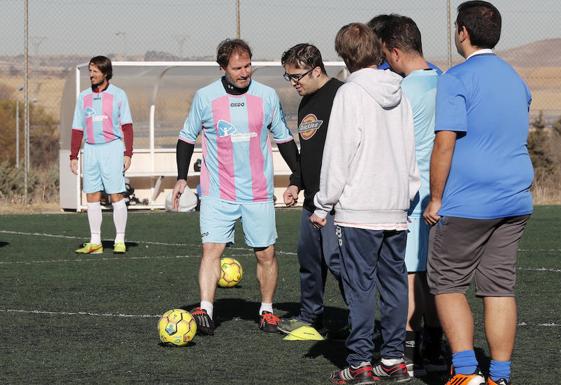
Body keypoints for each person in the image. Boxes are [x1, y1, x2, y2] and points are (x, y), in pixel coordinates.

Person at [423, 2, 534, 385]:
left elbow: (444, 144)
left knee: (448, 284)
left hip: (469, 201)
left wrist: (436, 199)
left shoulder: (456, 78)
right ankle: (499, 376)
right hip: (515, 198)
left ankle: (466, 371)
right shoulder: (516, 78)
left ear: (462, 32)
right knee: (499, 288)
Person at [311, 23, 419, 384]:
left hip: (360, 209)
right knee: (394, 284)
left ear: (344, 55)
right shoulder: (400, 90)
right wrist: (407, 193)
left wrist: (322, 204)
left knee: (360, 287)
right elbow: (410, 148)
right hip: (395, 207)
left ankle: (358, 363)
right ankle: (392, 359)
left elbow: (338, 154)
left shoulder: (349, 94)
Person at [172, 39, 299, 336]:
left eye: (248, 65)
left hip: (257, 192)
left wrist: (298, 178)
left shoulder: (267, 96)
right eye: (237, 68)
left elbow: (284, 139)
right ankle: (206, 309)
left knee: (266, 254)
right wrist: (181, 177)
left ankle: (266, 311)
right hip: (218, 191)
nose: (245, 73)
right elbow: (186, 137)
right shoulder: (205, 97)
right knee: (211, 250)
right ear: (223, 69)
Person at [373, 14, 447, 377]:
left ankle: (415, 342)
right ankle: (434, 340)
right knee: (438, 274)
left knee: (411, 273)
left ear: (395, 51)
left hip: (414, 196)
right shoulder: (446, 82)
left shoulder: (404, 91)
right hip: (448, 194)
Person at [277, 43, 346, 335]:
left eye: (297, 76)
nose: (294, 83)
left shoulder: (342, 96)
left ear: (316, 70)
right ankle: (310, 316)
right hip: (311, 200)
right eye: (288, 77)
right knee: (309, 261)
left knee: (340, 264)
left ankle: (359, 321)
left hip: (337, 202)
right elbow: (309, 151)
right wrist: (296, 181)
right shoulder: (306, 101)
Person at [70, 55, 133, 255]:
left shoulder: (119, 95)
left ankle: (120, 240)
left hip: (112, 148)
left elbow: (127, 126)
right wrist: (73, 155)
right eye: (90, 71)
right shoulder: (83, 97)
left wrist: (128, 152)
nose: (91, 75)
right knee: (92, 195)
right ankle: (95, 241)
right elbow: (77, 128)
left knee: (116, 194)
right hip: (90, 149)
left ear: (105, 73)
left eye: (95, 71)